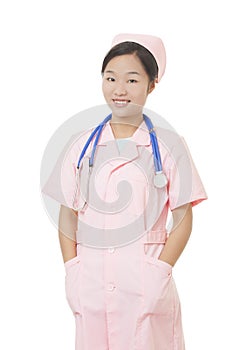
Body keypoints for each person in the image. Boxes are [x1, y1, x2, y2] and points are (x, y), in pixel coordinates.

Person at [42, 33, 207, 350]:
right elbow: (67, 213)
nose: (119, 90)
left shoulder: (171, 146)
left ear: (151, 84)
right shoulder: (80, 145)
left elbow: (183, 217)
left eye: (132, 80)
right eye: (110, 78)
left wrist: (160, 271)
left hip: (146, 283)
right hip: (90, 280)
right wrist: (71, 269)